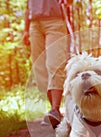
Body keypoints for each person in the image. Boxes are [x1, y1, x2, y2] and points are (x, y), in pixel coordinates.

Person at [23, 0, 72, 128]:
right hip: (35, 24)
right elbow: (28, 7)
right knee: (40, 68)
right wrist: (26, 30)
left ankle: (55, 109)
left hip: (55, 21)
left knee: (55, 64)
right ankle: (53, 111)